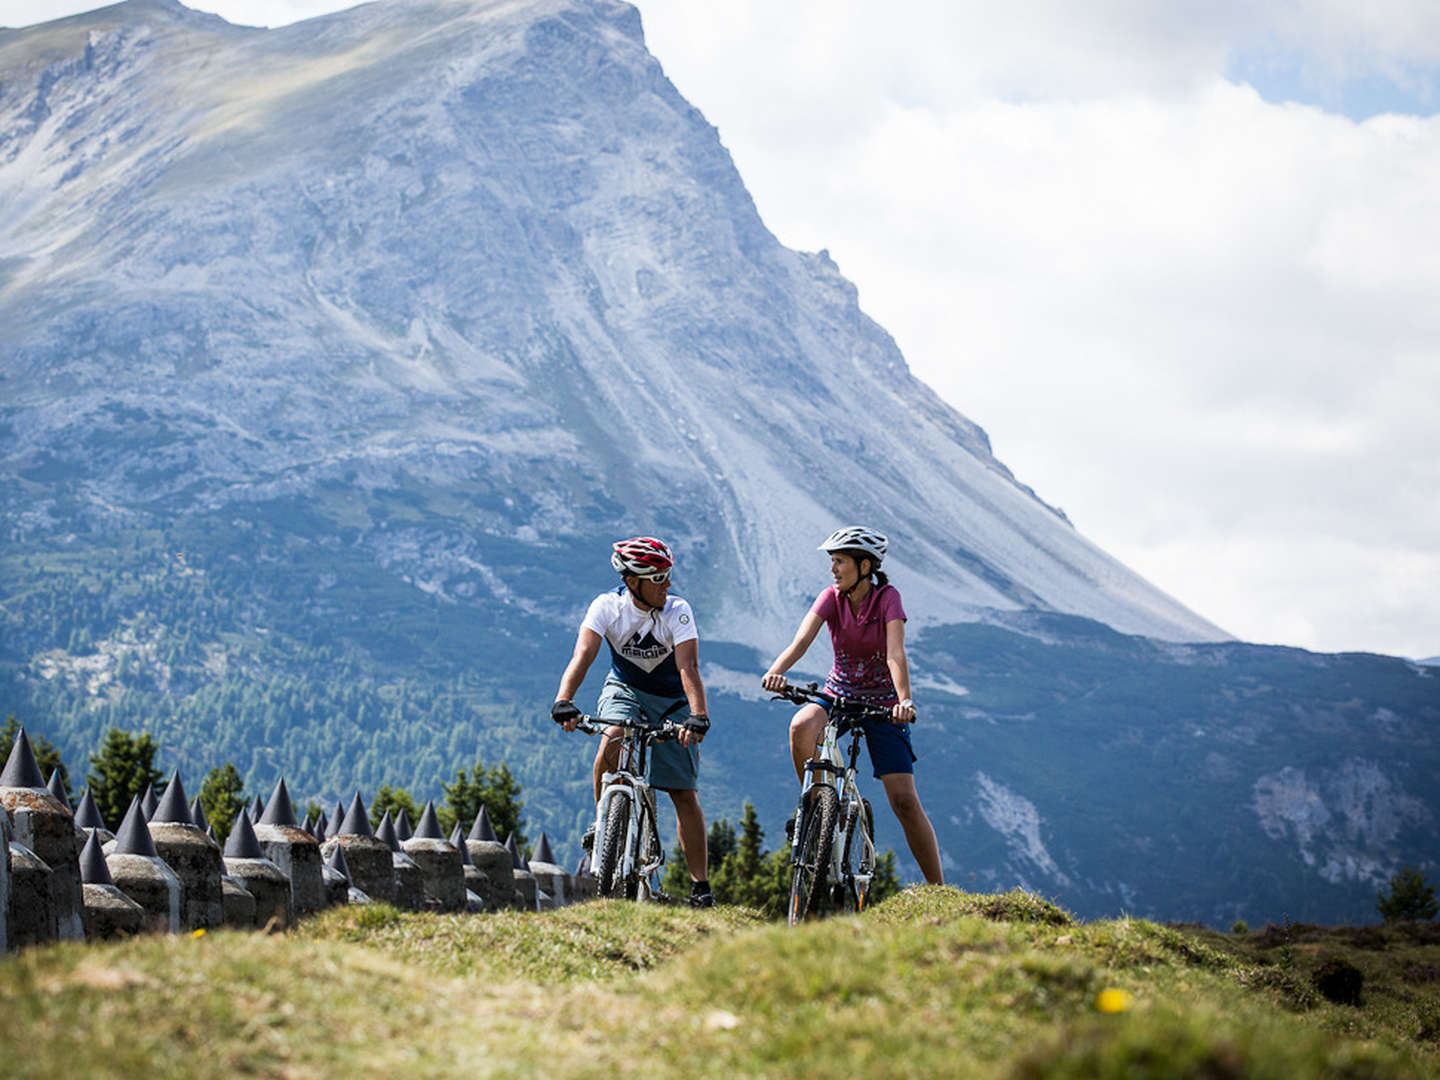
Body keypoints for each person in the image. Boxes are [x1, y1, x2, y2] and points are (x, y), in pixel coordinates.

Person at [761, 525, 944, 885]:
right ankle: (813, 809)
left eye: (840, 561)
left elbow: (895, 654)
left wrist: (904, 699)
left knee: (904, 801)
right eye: (832, 561)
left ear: (865, 566)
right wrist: (775, 672)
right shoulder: (831, 597)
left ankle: (939, 888)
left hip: (883, 705)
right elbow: (801, 641)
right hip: (838, 695)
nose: (833, 569)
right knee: (801, 725)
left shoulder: (888, 598)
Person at [551, 536, 715, 907]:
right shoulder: (607, 607)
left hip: (673, 702)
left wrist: (698, 715)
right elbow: (583, 655)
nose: (668, 584)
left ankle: (700, 886)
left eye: (668, 575)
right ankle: (604, 822)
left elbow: (689, 667)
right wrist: (564, 700)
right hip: (625, 689)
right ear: (633, 581)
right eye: (659, 578)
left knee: (683, 793)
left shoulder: (678, 610)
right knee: (612, 737)